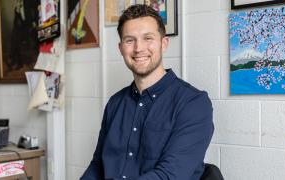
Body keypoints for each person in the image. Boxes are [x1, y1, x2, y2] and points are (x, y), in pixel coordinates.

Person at [80, 4, 214, 180]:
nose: (138, 48)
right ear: (121, 48)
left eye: (148, 38)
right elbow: (98, 166)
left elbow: (170, 175)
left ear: (163, 43)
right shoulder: (115, 104)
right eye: (130, 40)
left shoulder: (193, 103)